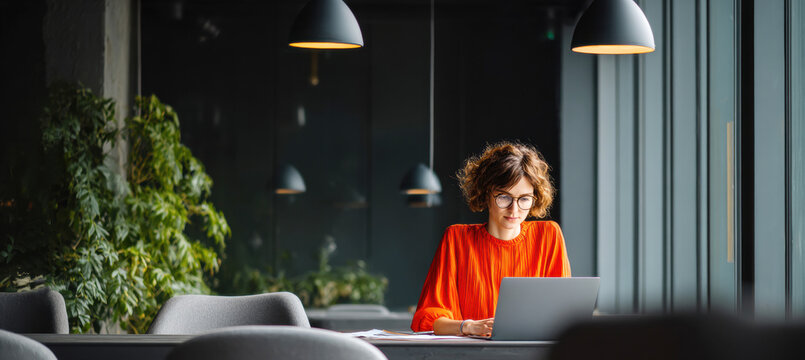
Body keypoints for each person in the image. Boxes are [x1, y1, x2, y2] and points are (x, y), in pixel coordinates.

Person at [410, 141, 571, 336]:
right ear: (487, 194)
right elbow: (427, 319)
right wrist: (469, 327)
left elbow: (562, 311)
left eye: (524, 199)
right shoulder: (457, 239)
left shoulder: (548, 236)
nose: (514, 209)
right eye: (504, 197)